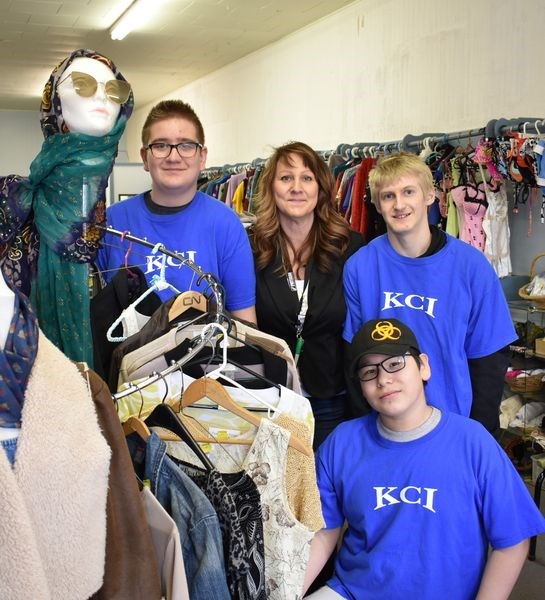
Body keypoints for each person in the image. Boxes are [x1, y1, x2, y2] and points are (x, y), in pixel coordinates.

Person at [304, 317, 545, 599]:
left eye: (395, 363)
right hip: (353, 590)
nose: (383, 379)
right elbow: (323, 532)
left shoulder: (473, 442)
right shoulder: (341, 443)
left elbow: (513, 540)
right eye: (369, 372)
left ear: (423, 367)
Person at [343, 151, 516, 435]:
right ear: (376, 204)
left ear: (429, 196)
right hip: (383, 427)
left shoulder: (471, 266)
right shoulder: (360, 267)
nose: (399, 204)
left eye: (408, 192)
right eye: (388, 196)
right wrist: (367, 431)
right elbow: (354, 356)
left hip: (453, 424)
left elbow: (488, 361)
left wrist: (476, 435)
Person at [0, 48, 133, 365]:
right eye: (84, 84)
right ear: (54, 104)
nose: (102, 96)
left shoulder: (110, 224)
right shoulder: (10, 203)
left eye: (114, 89)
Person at [95, 99, 256, 323]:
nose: (173, 157)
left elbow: (245, 322)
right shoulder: (111, 222)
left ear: (202, 157)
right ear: (144, 157)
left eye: (186, 145)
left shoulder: (226, 224)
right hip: (125, 355)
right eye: (160, 145)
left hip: (206, 356)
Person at [250, 141, 364, 449]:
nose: (296, 187)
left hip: (332, 401)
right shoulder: (251, 249)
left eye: (306, 178)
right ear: (271, 187)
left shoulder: (350, 247)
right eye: (286, 178)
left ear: (321, 188)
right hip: (269, 401)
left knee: (327, 493)